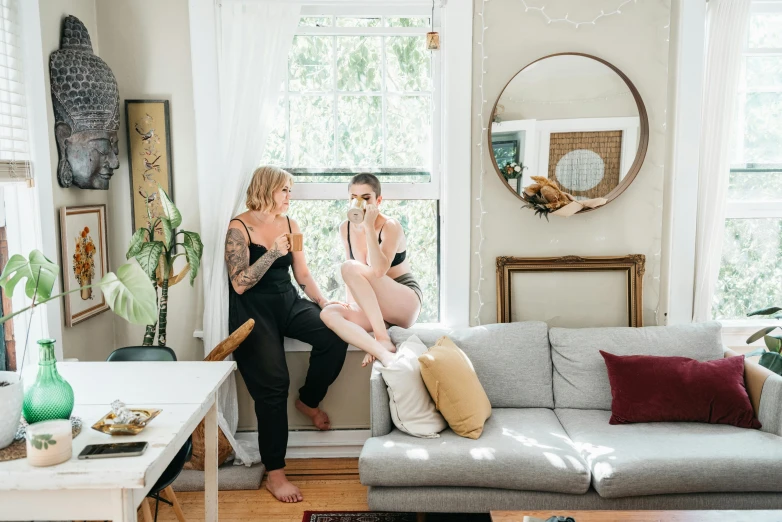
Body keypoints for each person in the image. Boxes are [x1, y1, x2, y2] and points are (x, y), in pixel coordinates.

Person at [226, 166, 349, 503]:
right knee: (273, 386)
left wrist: (325, 303)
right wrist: (272, 253)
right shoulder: (239, 227)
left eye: (290, 191)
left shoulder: (292, 224)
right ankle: (275, 473)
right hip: (253, 313)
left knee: (335, 335)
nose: (289, 197)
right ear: (266, 189)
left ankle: (308, 400)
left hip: (288, 302)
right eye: (284, 191)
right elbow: (239, 284)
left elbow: (303, 272)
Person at [321, 174, 423, 368]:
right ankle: (382, 352)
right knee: (328, 313)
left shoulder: (389, 226)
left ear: (378, 200)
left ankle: (382, 338)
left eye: (365, 198)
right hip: (378, 310)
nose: (358, 202)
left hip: (404, 302)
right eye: (353, 197)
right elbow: (354, 279)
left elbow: (378, 271)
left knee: (349, 266)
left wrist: (368, 226)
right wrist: (350, 305)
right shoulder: (346, 228)